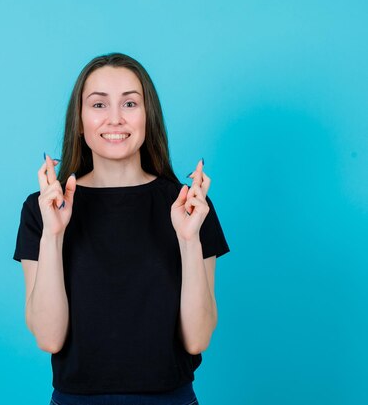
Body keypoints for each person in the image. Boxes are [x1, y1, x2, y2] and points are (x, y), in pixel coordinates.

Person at [13, 53, 230, 405]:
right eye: (99, 104)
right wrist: (53, 235)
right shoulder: (42, 209)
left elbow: (198, 339)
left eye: (130, 102)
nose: (115, 118)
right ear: (80, 122)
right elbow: (49, 339)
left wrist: (188, 240)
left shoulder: (189, 206)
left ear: (148, 117)